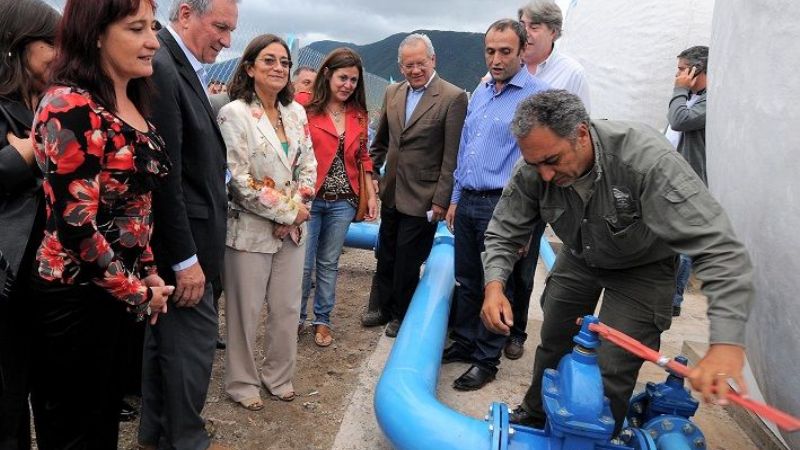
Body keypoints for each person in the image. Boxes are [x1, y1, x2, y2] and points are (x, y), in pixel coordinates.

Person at [480, 90, 752, 434]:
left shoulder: (645, 161)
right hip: (580, 257)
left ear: (580, 134)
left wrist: (727, 343)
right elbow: (504, 230)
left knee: (610, 369)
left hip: (644, 268)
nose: (545, 175)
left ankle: (593, 435)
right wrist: (494, 287)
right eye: (536, 165)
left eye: (552, 161)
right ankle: (535, 415)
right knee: (554, 342)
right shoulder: (536, 165)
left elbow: (718, 248)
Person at [27, 0, 173, 447]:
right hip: (73, 298)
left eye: (153, 26)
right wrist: (139, 291)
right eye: (136, 29)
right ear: (94, 34)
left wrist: (147, 267)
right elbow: (76, 227)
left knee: (104, 420)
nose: (152, 41)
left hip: (114, 294)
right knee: (74, 431)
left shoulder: (128, 97)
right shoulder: (68, 104)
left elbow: (138, 201)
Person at [139, 0, 238, 448]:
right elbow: (167, 177)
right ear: (185, 13)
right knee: (190, 353)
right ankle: (185, 439)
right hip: (185, 249)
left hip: (190, 244)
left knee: (165, 347)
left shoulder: (178, 63)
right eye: (220, 26)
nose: (227, 40)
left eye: (231, 29)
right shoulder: (162, 66)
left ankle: (156, 434)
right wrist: (185, 260)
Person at [442, 19, 548, 391]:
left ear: (523, 52)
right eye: (490, 51)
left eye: (505, 51)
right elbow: (466, 149)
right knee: (468, 280)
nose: (497, 59)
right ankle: (467, 342)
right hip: (470, 200)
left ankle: (486, 360)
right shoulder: (483, 92)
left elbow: (537, 168)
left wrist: (522, 225)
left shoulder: (537, 99)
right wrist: (456, 198)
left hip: (504, 208)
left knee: (496, 283)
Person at [219, 34, 316, 410]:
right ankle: (242, 383)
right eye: (269, 60)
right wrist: (287, 212)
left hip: (293, 230)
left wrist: (298, 210)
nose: (279, 68)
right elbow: (238, 180)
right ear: (249, 67)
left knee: (288, 307)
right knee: (245, 312)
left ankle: (278, 375)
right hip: (249, 230)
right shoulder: (234, 114)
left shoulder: (297, 113)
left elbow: (308, 166)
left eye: (285, 62)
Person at [499, 0, 594, 362]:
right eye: (523, 24)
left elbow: (581, 130)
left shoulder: (570, 73)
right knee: (496, 255)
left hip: (542, 182)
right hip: (503, 181)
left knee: (524, 262)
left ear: (553, 32)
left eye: (534, 26)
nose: (527, 32)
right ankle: (489, 320)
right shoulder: (510, 68)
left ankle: (516, 331)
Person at [361, 33, 468, 337]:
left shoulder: (452, 97)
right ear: (401, 66)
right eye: (409, 65)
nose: (415, 70)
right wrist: (376, 178)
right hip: (392, 189)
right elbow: (380, 141)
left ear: (433, 60)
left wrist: (441, 200)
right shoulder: (393, 92)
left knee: (409, 259)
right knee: (387, 251)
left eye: (420, 63)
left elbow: (452, 156)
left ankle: (400, 312)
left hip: (424, 196)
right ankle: (381, 307)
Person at [0, 2, 59, 448]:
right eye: (51, 44)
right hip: (8, 277)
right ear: (17, 47)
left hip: (46, 279)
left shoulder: (44, 102)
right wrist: (24, 154)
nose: (61, 54)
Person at [301, 48, 377, 346]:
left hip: (343, 200)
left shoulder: (359, 115)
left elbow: (363, 157)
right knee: (304, 264)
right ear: (328, 74)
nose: (348, 85)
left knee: (329, 262)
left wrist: (369, 194)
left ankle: (322, 320)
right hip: (311, 197)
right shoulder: (305, 107)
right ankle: (296, 317)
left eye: (354, 80)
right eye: (343, 77)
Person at [665, 45, 708, 317]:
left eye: (682, 69)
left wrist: (679, 89)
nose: (677, 75)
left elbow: (679, 120)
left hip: (693, 185)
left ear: (697, 70)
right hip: (673, 180)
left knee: (684, 247)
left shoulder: (708, 101)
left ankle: (673, 300)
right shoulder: (691, 97)